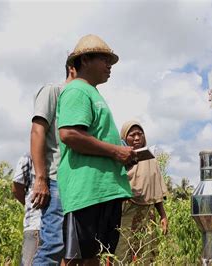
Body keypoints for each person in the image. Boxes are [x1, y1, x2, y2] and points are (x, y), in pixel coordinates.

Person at [57, 34, 135, 265]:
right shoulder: (77, 91)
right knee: (75, 257)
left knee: (95, 255)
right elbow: (69, 134)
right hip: (87, 191)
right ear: (85, 60)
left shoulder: (93, 93)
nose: (109, 65)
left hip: (104, 190)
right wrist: (115, 152)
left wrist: (121, 157)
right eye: (104, 59)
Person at [30, 62, 76, 264]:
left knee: (72, 249)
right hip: (55, 180)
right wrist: (41, 179)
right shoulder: (53, 92)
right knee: (53, 246)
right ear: (73, 68)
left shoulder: (80, 101)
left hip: (75, 185)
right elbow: (37, 131)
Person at [115, 120, 169, 262]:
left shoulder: (151, 159)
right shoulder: (119, 158)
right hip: (127, 210)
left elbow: (156, 190)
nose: (137, 138)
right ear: (124, 139)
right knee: (123, 251)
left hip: (148, 213)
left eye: (140, 134)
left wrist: (163, 215)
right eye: (132, 135)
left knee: (147, 252)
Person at [11, 153, 41, 266]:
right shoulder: (28, 158)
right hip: (35, 223)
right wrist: (31, 204)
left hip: (57, 225)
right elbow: (16, 188)